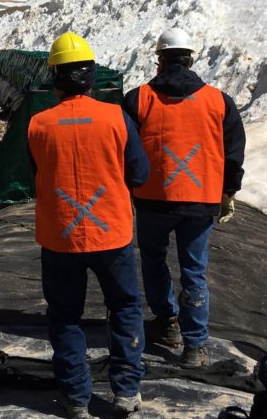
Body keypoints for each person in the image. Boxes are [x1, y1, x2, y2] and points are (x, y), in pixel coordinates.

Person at [28, 32, 149, 418]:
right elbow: (140, 174)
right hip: (111, 234)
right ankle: (126, 393)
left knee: (65, 317)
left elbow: (37, 176)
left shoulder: (38, 125)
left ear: (55, 77)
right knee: (126, 308)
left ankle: (77, 400)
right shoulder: (117, 118)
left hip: (59, 238)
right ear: (92, 75)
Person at [123, 28, 245, 368]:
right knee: (195, 271)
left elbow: (126, 149)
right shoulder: (219, 101)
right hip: (200, 200)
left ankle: (167, 323)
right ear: (191, 59)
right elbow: (233, 152)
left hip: (152, 199)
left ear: (160, 61)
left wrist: (129, 184)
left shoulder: (138, 98)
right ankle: (195, 346)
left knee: (153, 260)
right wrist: (228, 192)